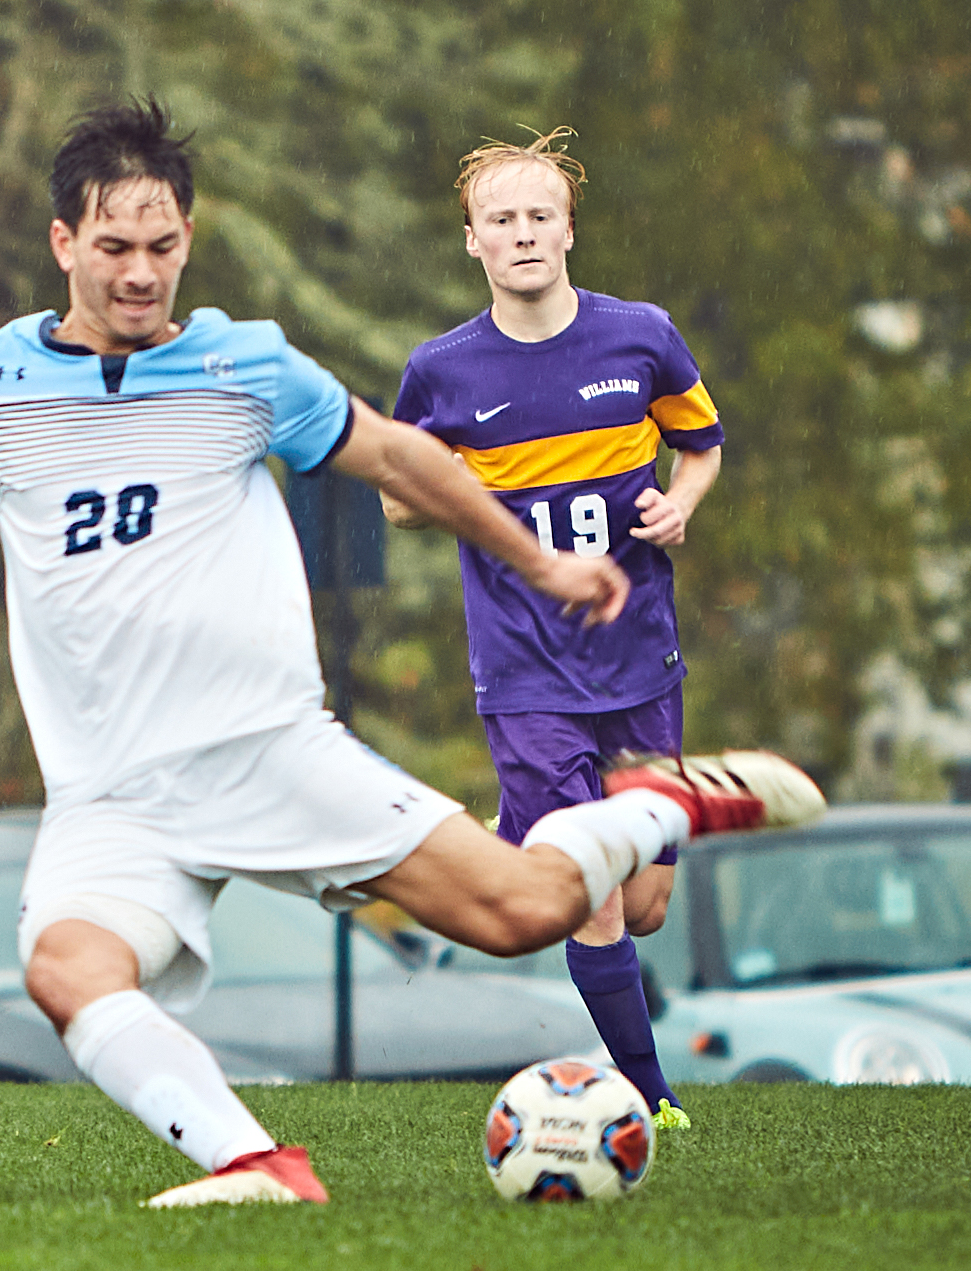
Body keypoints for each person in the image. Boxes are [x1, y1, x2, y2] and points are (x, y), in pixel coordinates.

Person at [0, 100, 816, 1207]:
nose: (140, 272)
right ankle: (254, 1163)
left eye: (163, 246)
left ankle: (654, 800)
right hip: (110, 794)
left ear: (187, 240)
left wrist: (541, 562)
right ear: (61, 243)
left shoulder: (247, 364)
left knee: (525, 910)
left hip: (265, 751)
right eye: (115, 247)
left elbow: (403, 460)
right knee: (67, 969)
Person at [379, 129, 722, 1131]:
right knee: (593, 897)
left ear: (568, 229)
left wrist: (680, 501)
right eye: (500, 220)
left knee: (646, 900)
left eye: (538, 216)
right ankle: (651, 1102)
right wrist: (471, 495)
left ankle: (508, 834)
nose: (521, 234)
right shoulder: (439, 370)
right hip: (523, 670)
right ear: (471, 243)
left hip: (636, 657)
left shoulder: (639, 337)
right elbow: (399, 501)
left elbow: (697, 444)